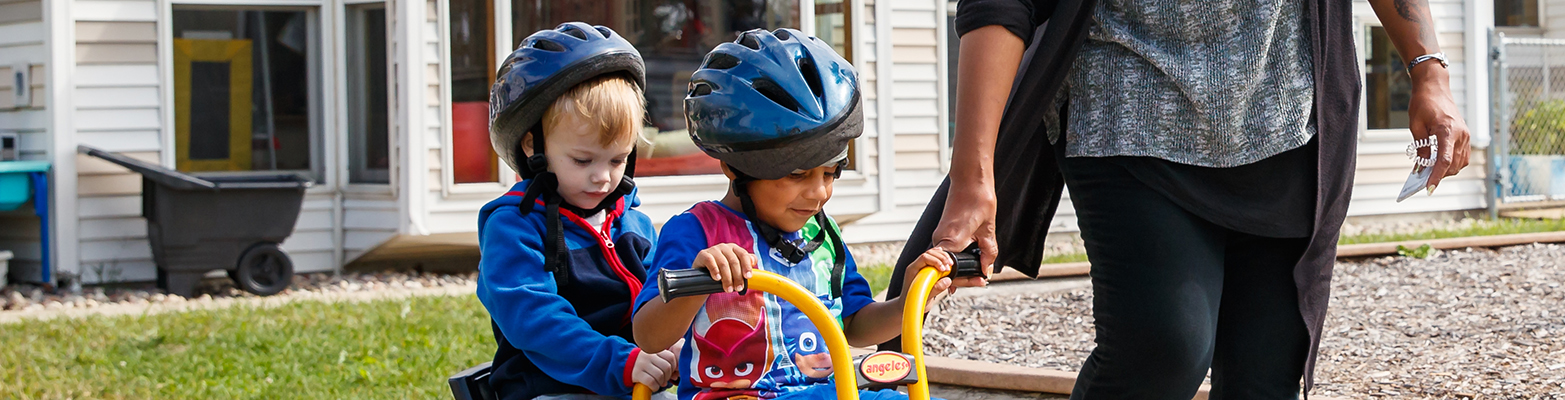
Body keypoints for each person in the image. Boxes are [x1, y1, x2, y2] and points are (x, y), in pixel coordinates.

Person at [881, 0, 1472, 399]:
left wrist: (1430, 73)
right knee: (1163, 350)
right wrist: (973, 177)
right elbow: (1001, 3)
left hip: (1287, 120)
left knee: (1267, 372)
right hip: (1126, 109)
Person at [630, 28, 983, 400]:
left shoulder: (821, 235)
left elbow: (853, 325)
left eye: (831, 173)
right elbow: (649, 336)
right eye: (797, 175)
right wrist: (700, 280)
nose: (819, 193)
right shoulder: (695, 232)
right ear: (736, 167)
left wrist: (907, 302)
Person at [477, 22, 679, 400]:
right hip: (547, 388)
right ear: (532, 146)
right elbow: (533, 318)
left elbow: (657, 294)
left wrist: (677, 338)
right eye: (582, 160)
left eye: (617, 159)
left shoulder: (630, 220)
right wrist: (620, 362)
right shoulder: (514, 226)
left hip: (631, 380)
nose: (602, 177)